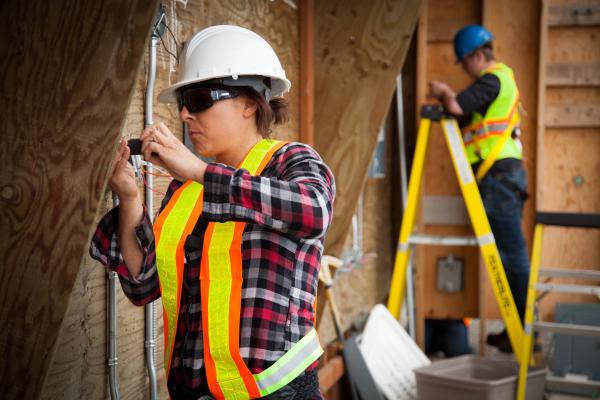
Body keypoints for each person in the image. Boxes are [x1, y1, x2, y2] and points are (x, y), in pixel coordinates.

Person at [90, 25, 335, 399]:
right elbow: (143, 284)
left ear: (250, 103)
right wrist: (128, 198)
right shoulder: (185, 190)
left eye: (201, 98)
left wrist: (198, 170)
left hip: (278, 393)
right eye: (183, 103)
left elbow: (314, 211)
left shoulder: (290, 160)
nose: (186, 114)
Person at [427, 25, 530, 353]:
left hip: (499, 179)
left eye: (464, 62)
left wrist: (443, 92)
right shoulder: (500, 83)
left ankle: (519, 329)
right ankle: (516, 327)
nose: (464, 69)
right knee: (510, 254)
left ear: (476, 55)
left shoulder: (493, 79)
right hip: (502, 178)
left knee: (512, 255)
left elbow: (457, 107)